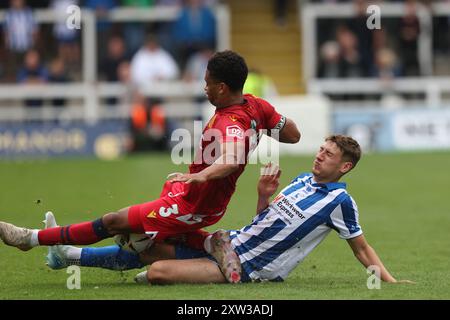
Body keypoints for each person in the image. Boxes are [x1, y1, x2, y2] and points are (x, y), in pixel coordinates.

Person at [0, 50, 301, 283]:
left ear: (222, 88)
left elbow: (233, 158)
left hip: (192, 203)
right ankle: (209, 243)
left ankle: (29, 239)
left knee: (115, 223)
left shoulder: (230, 121)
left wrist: (200, 177)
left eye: (207, 83)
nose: (204, 88)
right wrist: (262, 128)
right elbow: (293, 134)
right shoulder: (256, 106)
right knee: (143, 245)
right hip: (193, 196)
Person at [43, 136, 414, 285]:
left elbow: (361, 248)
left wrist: (391, 282)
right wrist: (263, 195)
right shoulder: (301, 181)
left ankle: (78, 254)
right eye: (320, 149)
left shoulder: (339, 202)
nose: (319, 155)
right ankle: (67, 255)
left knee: (155, 269)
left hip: (248, 267)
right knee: (150, 241)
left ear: (344, 167)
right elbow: (264, 223)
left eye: (328, 154)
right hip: (230, 242)